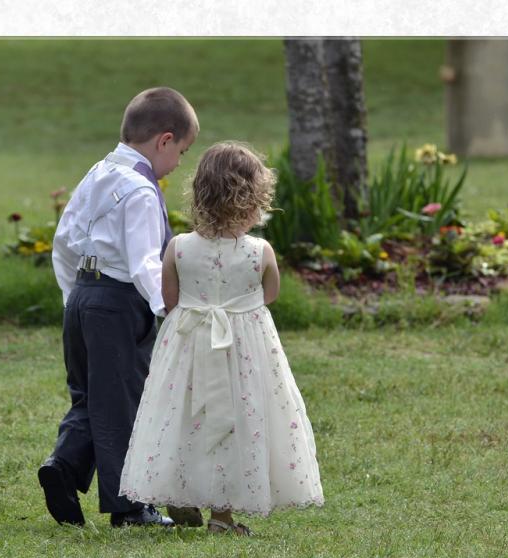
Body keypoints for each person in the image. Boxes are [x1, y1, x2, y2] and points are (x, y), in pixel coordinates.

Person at [119, 142, 324, 535]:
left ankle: (183, 494)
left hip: (188, 348)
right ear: (254, 199)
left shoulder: (177, 248)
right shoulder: (260, 252)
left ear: (200, 195)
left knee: (185, 417)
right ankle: (222, 516)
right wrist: (235, 310)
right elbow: (270, 295)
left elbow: (171, 300)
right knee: (239, 420)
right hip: (244, 352)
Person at [38, 87, 198, 528]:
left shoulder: (99, 172)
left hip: (83, 296)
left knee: (91, 396)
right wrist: (170, 311)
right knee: (123, 403)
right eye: (181, 152)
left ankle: (64, 467)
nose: (179, 162)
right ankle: (130, 508)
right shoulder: (141, 191)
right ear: (164, 140)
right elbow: (146, 261)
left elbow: (65, 241)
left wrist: (74, 298)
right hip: (118, 303)